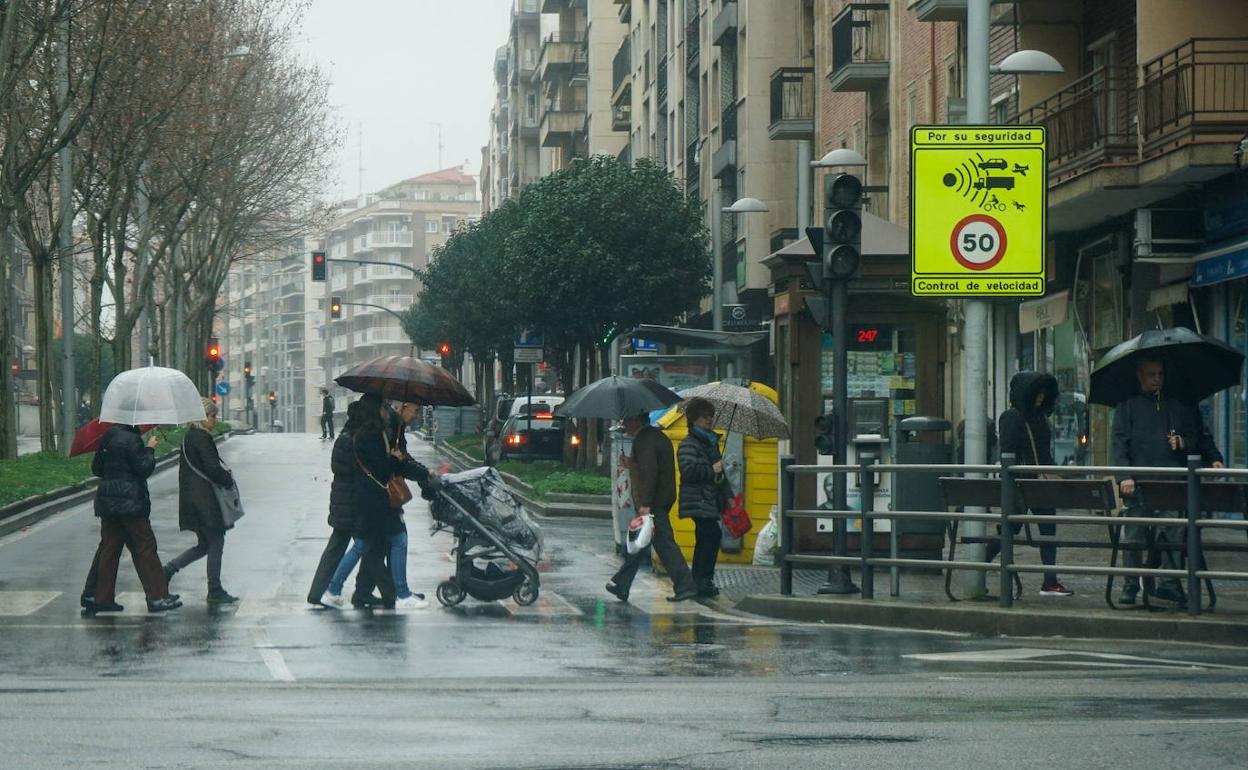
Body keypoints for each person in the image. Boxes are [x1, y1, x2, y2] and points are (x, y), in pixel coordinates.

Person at [319, 394, 429, 610]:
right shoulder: (371, 435)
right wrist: (395, 459)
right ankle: (402, 594)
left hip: (370, 499)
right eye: (383, 407)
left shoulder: (368, 433)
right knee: (397, 540)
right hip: (376, 499)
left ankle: (333, 590)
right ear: (374, 410)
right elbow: (382, 468)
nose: (386, 411)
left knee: (363, 544)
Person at [1112, 355, 1201, 607]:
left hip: (1169, 482)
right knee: (1134, 536)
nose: (1156, 379)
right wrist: (1124, 475)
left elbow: (1195, 439)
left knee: (1173, 532)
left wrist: (1182, 442)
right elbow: (1118, 444)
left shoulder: (1175, 407)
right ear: (1140, 375)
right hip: (1139, 483)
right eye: (1151, 375)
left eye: (1160, 374)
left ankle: (1168, 583)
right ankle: (1131, 584)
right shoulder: (1127, 406)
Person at [306, 400, 396, 608]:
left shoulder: (345, 437)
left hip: (341, 501)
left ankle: (318, 592)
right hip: (354, 502)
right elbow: (361, 472)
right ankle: (388, 593)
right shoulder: (358, 439)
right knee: (370, 547)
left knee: (339, 547)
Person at [991, 371, 1072, 596]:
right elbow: (1008, 451)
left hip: (1038, 483)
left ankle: (1050, 580)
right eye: (1037, 393)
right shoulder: (1014, 417)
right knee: (1014, 529)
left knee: (1044, 530)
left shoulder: (1038, 417)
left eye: (1044, 394)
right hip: (1023, 483)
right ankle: (1049, 580)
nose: (1040, 397)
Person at [88, 422, 181, 613]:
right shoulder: (132, 440)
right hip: (130, 502)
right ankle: (157, 597)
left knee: (109, 549)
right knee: (145, 547)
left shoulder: (108, 437)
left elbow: (96, 468)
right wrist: (150, 449)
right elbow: (144, 468)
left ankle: (101, 598)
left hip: (107, 502)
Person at [606, 411, 698, 603]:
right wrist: (631, 463)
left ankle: (686, 585)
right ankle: (621, 585)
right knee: (638, 543)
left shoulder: (645, 440)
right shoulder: (652, 437)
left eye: (627, 420)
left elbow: (650, 472)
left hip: (653, 503)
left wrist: (646, 504)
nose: (624, 425)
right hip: (656, 500)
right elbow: (647, 467)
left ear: (636, 420)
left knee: (664, 544)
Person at [163, 398, 239, 604]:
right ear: (202, 417)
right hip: (205, 501)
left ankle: (168, 570)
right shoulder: (201, 438)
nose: (214, 420)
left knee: (205, 544)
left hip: (193, 500)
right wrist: (227, 478)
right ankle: (214, 589)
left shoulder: (189, 438)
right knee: (216, 541)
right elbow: (212, 468)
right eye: (212, 416)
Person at [677, 397, 726, 599]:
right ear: (694, 419)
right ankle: (701, 580)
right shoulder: (689, 443)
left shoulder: (710, 442)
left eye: (711, 416)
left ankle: (702, 579)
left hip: (708, 499)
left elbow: (717, 474)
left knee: (709, 537)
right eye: (705, 417)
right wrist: (711, 469)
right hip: (698, 500)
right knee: (709, 536)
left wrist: (721, 476)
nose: (709, 420)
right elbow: (688, 471)